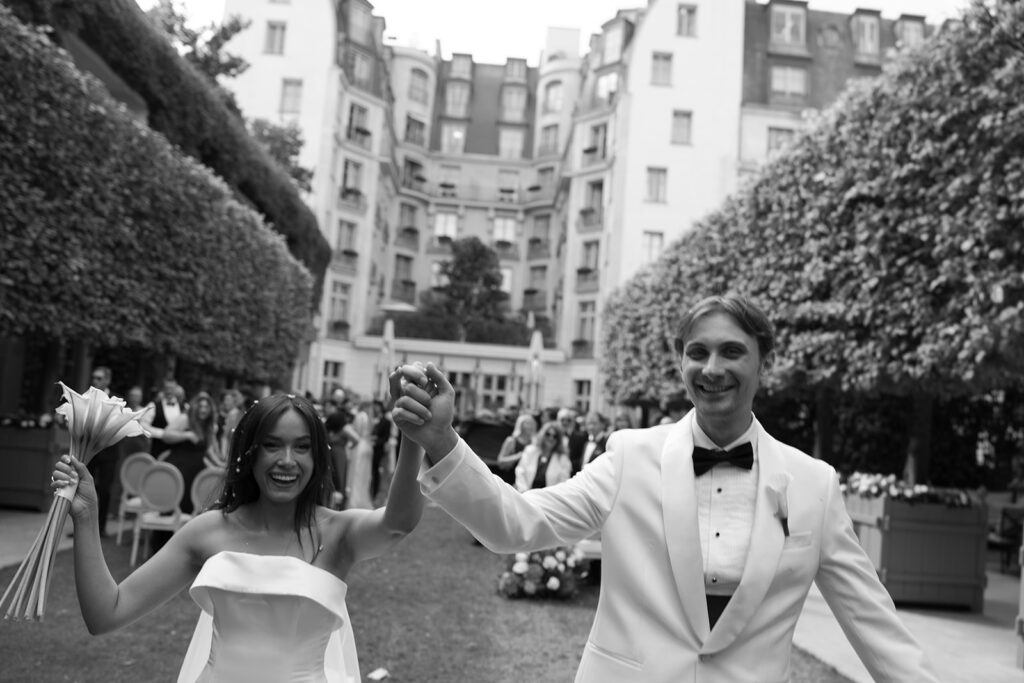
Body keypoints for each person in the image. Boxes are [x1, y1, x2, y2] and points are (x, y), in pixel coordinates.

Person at [391, 294, 939, 682]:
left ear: (762, 364)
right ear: (680, 362)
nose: (712, 367)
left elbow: (873, 622)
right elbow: (514, 525)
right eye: (697, 352)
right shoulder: (630, 456)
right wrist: (441, 440)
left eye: (732, 352)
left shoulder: (814, 485)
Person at [51, 387, 425, 683]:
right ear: (250, 452)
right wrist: (86, 516)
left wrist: (413, 436)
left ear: (318, 459)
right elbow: (106, 614)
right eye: (272, 445)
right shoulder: (208, 530)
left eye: (303, 447)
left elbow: (399, 522)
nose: (287, 461)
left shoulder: (339, 532)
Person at [84, 366, 119, 536]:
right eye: (94, 378)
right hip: (89, 450)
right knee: (83, 488)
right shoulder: (86, 396)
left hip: (108, 451)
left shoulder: (116, 399)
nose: (95, 381)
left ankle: (100, 528)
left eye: (99, 378)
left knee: (104, 490)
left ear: (107, 380)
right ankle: (82, 528)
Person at [514, 421, 572, 493]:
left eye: (555, 436)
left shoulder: (563, 459)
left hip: (548, 499)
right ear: (543, 435)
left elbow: (563, 483)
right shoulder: (530, 451)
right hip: (525, 494)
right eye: (548, 434)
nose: (551, 438)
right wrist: (524, 492)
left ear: (559, 440)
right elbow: (520, 471)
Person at [141, 379, 187, 456]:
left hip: (179, 451)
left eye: (171, 388)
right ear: (162, 389)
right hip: (158, 449)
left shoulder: (185, 407)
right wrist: (162, 434)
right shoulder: (153, 405)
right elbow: (143, 425)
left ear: (176, 389)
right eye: (167, 388)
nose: (169, 391)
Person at [345, 398, 376, 509]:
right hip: (367, 445)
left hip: (360, 446)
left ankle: (354, 501)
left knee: (356, 473)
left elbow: (357, 433)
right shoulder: (368, 417)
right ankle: (362, 499)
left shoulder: (360, 416)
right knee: (364, 474)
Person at [494, 414, 538, 486]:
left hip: (527, 481)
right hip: (509, 480)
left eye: (532, 424)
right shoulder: (511, 441)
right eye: (528, 423)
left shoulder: (535, 442)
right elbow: (500, 460)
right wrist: (518, 456)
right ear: (520, 425)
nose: (531, 426)